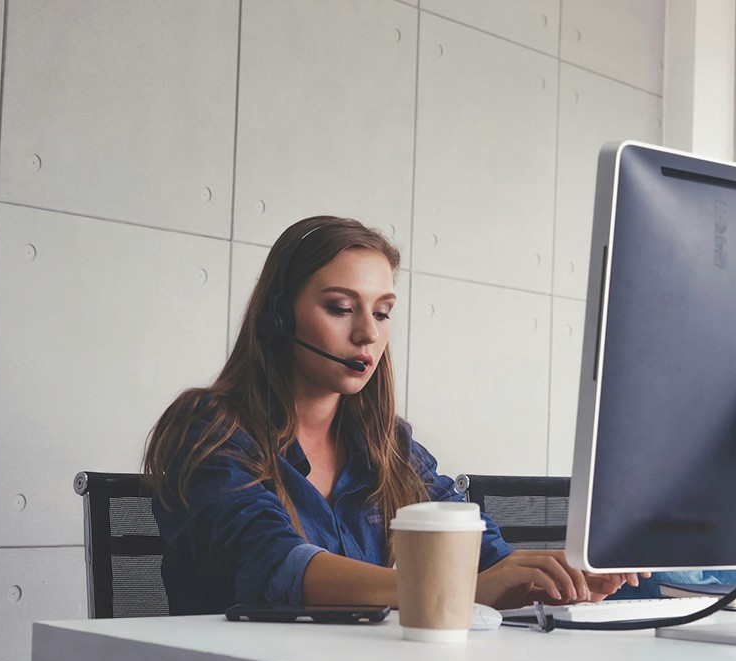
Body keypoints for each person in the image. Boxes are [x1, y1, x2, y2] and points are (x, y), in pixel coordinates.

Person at [143, 215, 640, 614]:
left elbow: (478, 553)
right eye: (340, 308)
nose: (368, 334)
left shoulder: (385, 444)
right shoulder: (209, 428)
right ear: (278, 316)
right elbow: (274, 565)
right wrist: (448, 592)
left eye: (381, 312)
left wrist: (545, 581)